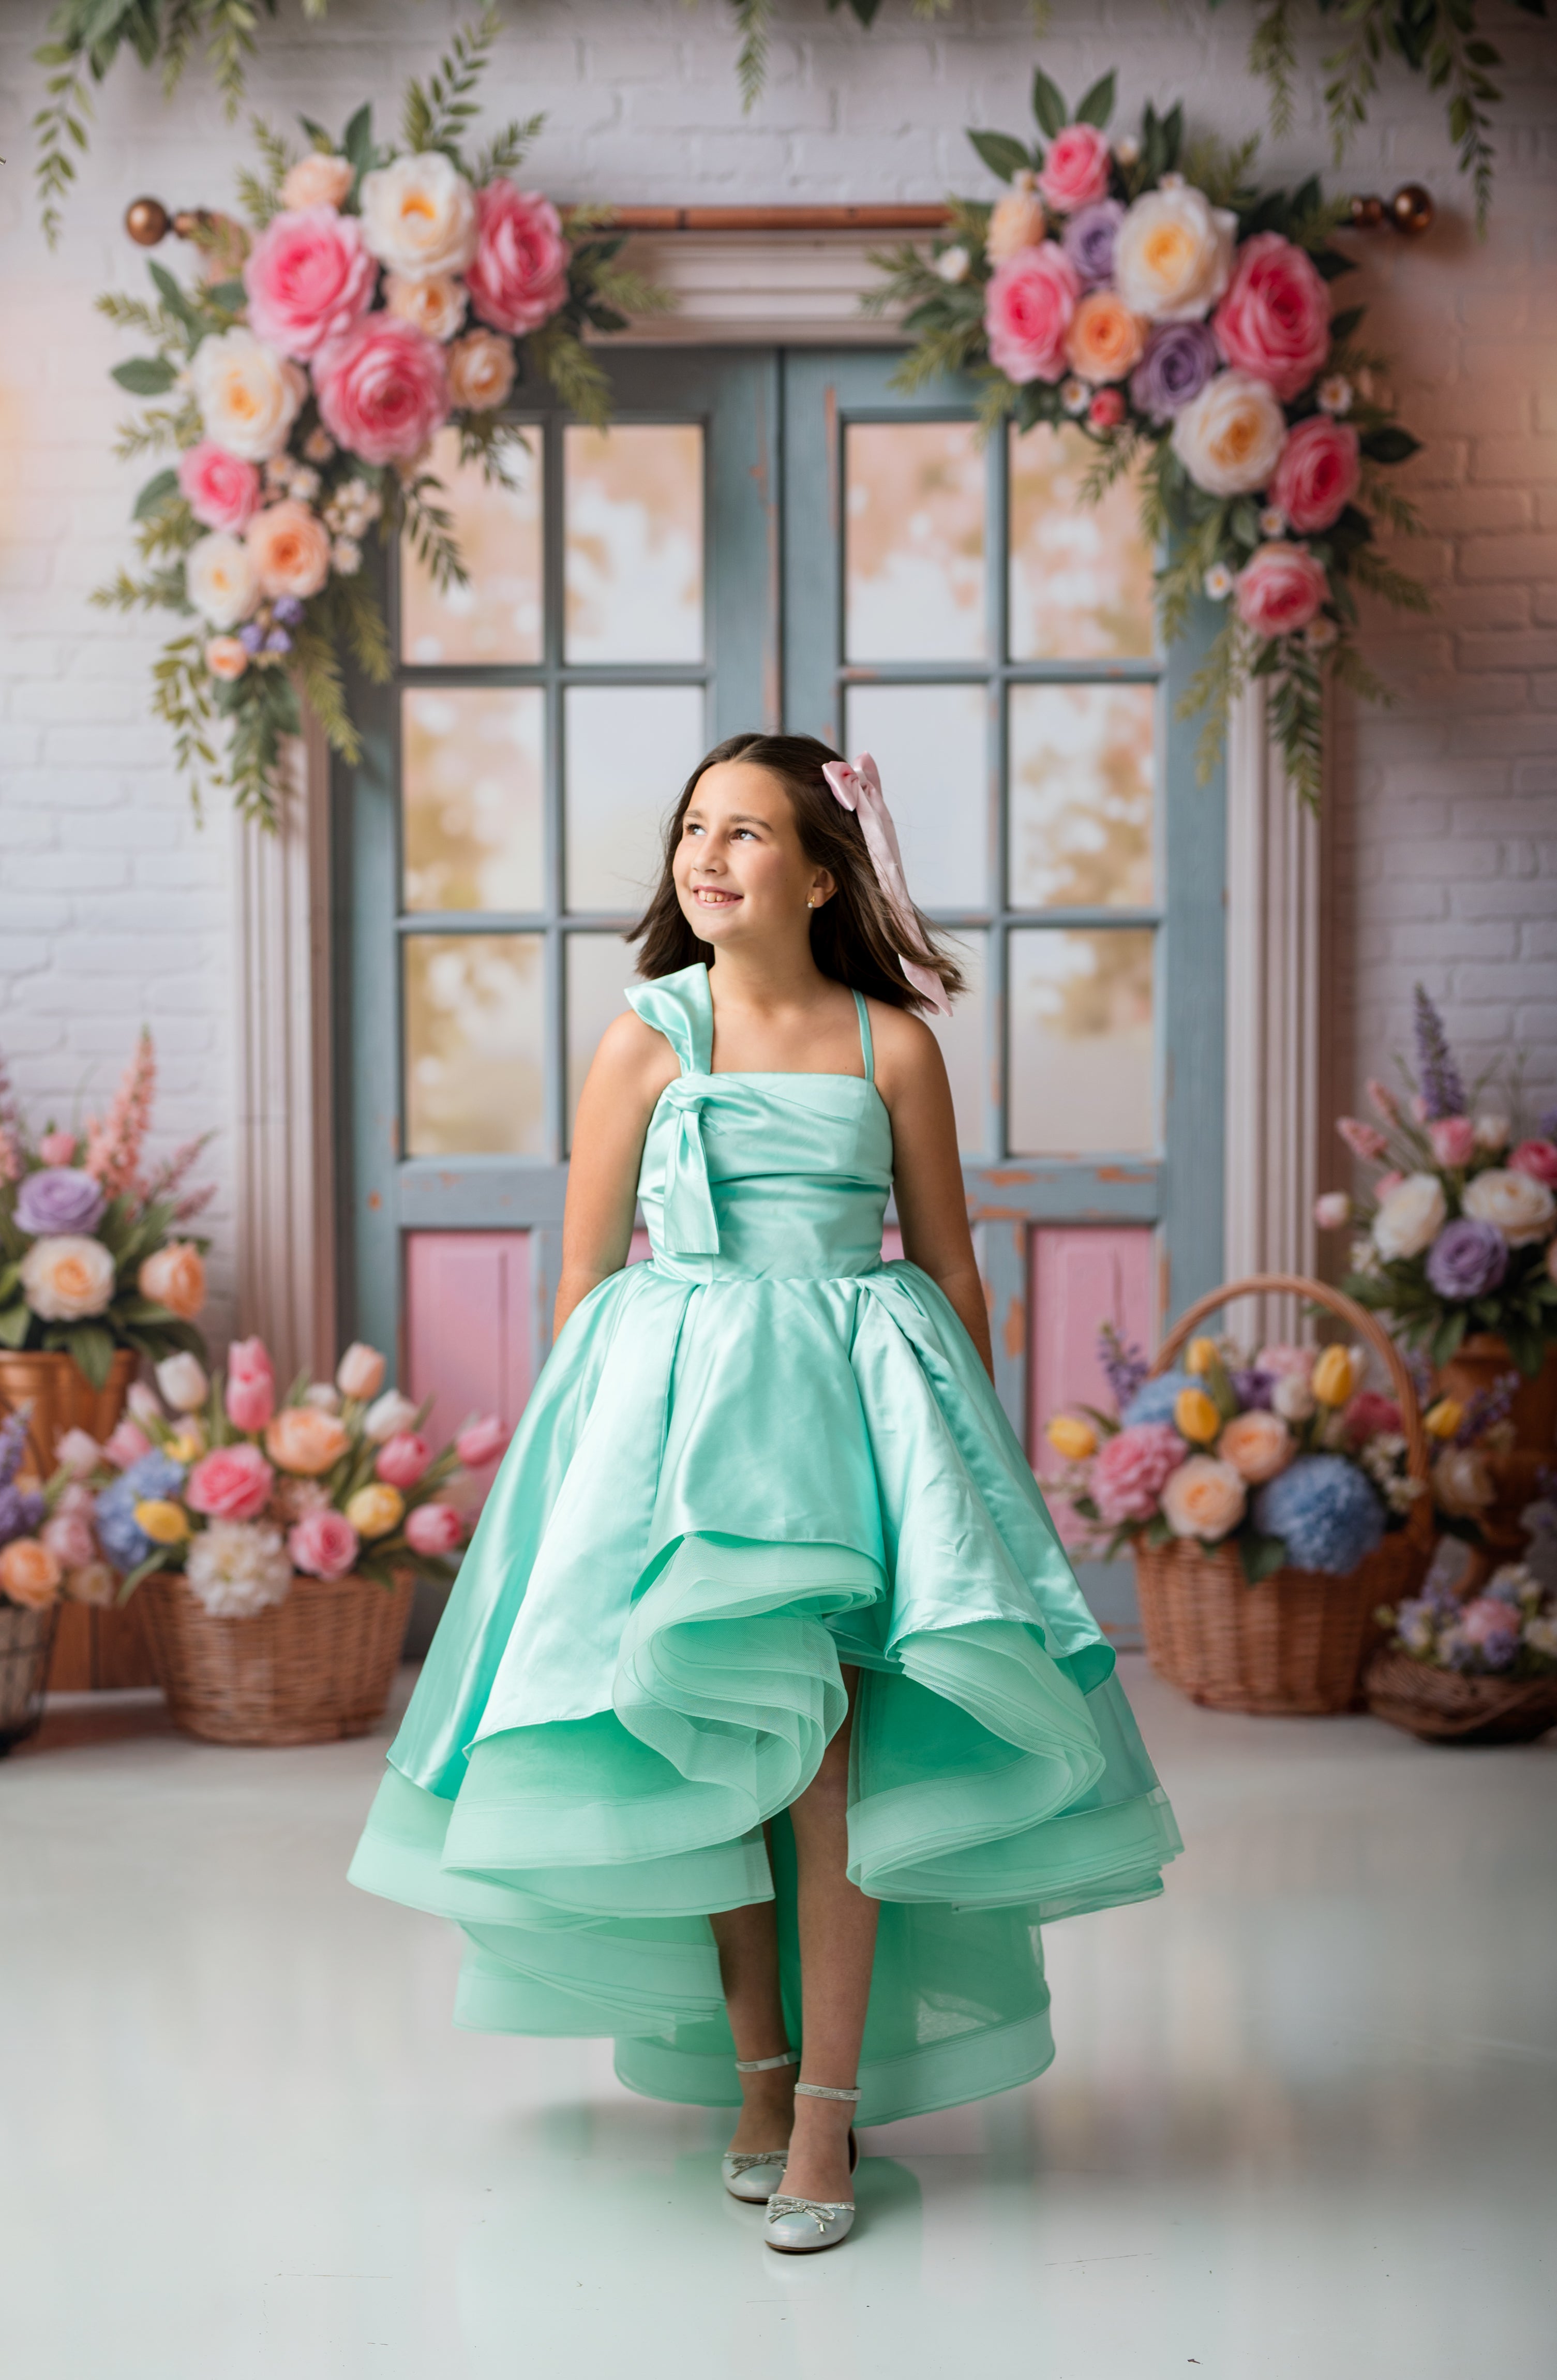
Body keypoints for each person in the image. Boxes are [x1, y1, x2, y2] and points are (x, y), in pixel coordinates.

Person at [350, 732, 1181, 2254]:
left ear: (819, 875)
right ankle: (757, 2072)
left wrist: (964, 1465)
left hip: (849, 1438)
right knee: (720, 1752)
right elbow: (587, 1273)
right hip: (685, 1446)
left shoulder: (891, 1046)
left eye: (745, 832)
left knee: (833, 1775)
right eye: (692, 828)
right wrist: (591, 1461)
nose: (706, 856)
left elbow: (948, 1266)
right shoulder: (645, 1041)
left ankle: (825, 2113)